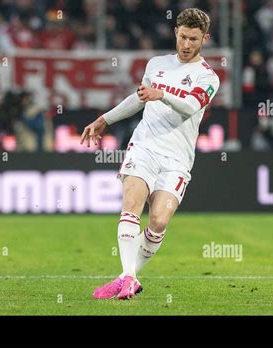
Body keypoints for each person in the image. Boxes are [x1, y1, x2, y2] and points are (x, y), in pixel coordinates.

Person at [79, 8, 220, 300]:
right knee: (131, 205)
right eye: (183, 36)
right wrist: (105, 119)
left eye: (194, 39)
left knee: (158, 221)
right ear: (175, 33)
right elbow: (139, 98)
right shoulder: (156, 64)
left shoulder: (208, 77)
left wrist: (163, 95)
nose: (187, 44)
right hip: (144, 145)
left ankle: (125, 277)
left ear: (204, 38)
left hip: (178, 158)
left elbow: (191, 107)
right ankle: (130, 278)